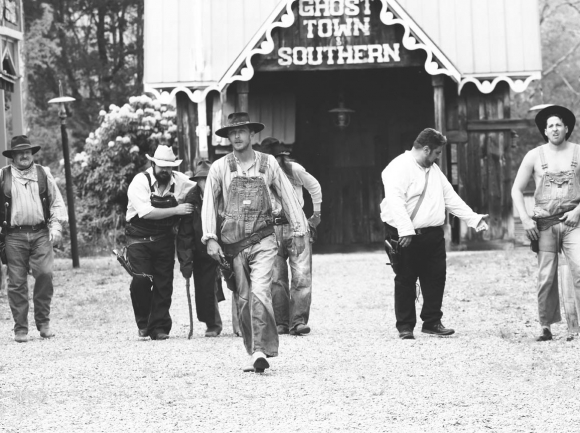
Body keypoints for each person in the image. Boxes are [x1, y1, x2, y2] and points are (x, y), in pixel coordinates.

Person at [201, 112, 308, 373]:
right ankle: (254, 350)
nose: (236, 136)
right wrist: (210, 238)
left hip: (263, 239)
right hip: (233, 244)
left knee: (261, 292)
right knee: (245, 298)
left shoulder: (269, 164)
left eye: (241, 131)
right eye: (232, 132)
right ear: (228, 137)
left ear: (251, 134)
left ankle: (261, 351)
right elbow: (208, 205)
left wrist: (299, 231)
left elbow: (288, 197)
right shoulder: (219, 168)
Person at [381, 128, 488, 340]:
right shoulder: (397, 167)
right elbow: (395, 201)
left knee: (436, 278)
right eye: (437, 153)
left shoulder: (434, 170)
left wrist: (473, 219)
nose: (438, 157)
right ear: (426, 149)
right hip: (405, 233)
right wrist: (406, 230)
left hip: (433, 234)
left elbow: (451, 198)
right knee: (405, 279)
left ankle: (431, 322)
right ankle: (405, 326)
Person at [512, 105, 580, 342]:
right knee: (546, 277)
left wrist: (578, 211)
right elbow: (516, 190)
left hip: (574, 223)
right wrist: (525, 218)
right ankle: (546, 326)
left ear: (567, 128)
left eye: (558, 124)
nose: (554, 129)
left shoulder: (579, 152)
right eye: (550, 125)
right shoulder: (534, 155)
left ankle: (578, 326)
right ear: (545, 130)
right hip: (544, 225)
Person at [0, 135, 67, 343]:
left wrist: (56, 227)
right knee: (17, 283)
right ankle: (21, 329)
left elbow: (56, 203)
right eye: (20, 152)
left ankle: (43, 323)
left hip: (40, 233)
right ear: (13, 156)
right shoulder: (3, 176)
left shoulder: (43, 173)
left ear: (32, 153)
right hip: (13, 236)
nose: (24, 155)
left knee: (45, 274)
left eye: (27, 151)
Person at [125, 145, 194, 340]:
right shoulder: (140, 181)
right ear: (153, 163)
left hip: (164, 239)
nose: (165, 170)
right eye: (161, 166)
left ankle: (159, 327)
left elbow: (199, 187)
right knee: (141, 279)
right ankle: (144, 322)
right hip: (138, 239)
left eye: (169, 167)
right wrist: (177, 210)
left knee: (164, 284)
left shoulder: (180, 181)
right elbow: (146, 212)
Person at [259, 137, 322, 336]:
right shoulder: (258, 175)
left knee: (301, 276)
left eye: (276, 158)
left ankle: (298, 322)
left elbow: (315, 187)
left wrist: (316, 215)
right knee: (276, 279)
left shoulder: (294, 170)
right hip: (270, 229)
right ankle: (281, 322)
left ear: (281, 158)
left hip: (296, 226)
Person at [176, 159, 225, 337]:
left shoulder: (225, 193)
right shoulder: (192, 198)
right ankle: (212, 324)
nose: (205, 183)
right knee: (204, 286)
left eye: (208, 178)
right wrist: (185, 261)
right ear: (196, 181)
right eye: (201, 180)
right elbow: (185, 234)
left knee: (238, 283)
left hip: (227, 243)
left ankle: (243, 323)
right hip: (202, 248)